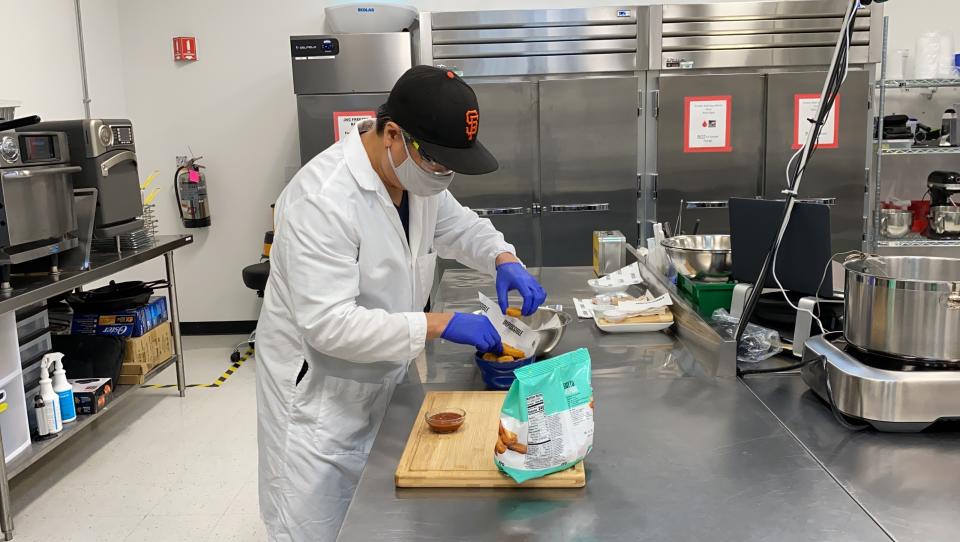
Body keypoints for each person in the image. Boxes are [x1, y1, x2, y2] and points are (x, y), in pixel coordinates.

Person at [255, 65, 547, 541]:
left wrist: (501, 257)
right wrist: (439, 323)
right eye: (437, 162)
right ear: (393, 134)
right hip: (320, 397)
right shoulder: (322, 200)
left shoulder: (416, 179)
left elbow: (459, 226)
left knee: (379, 519)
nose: (443, 175)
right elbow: (328, 325)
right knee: (318, 525)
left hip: (385, 378)